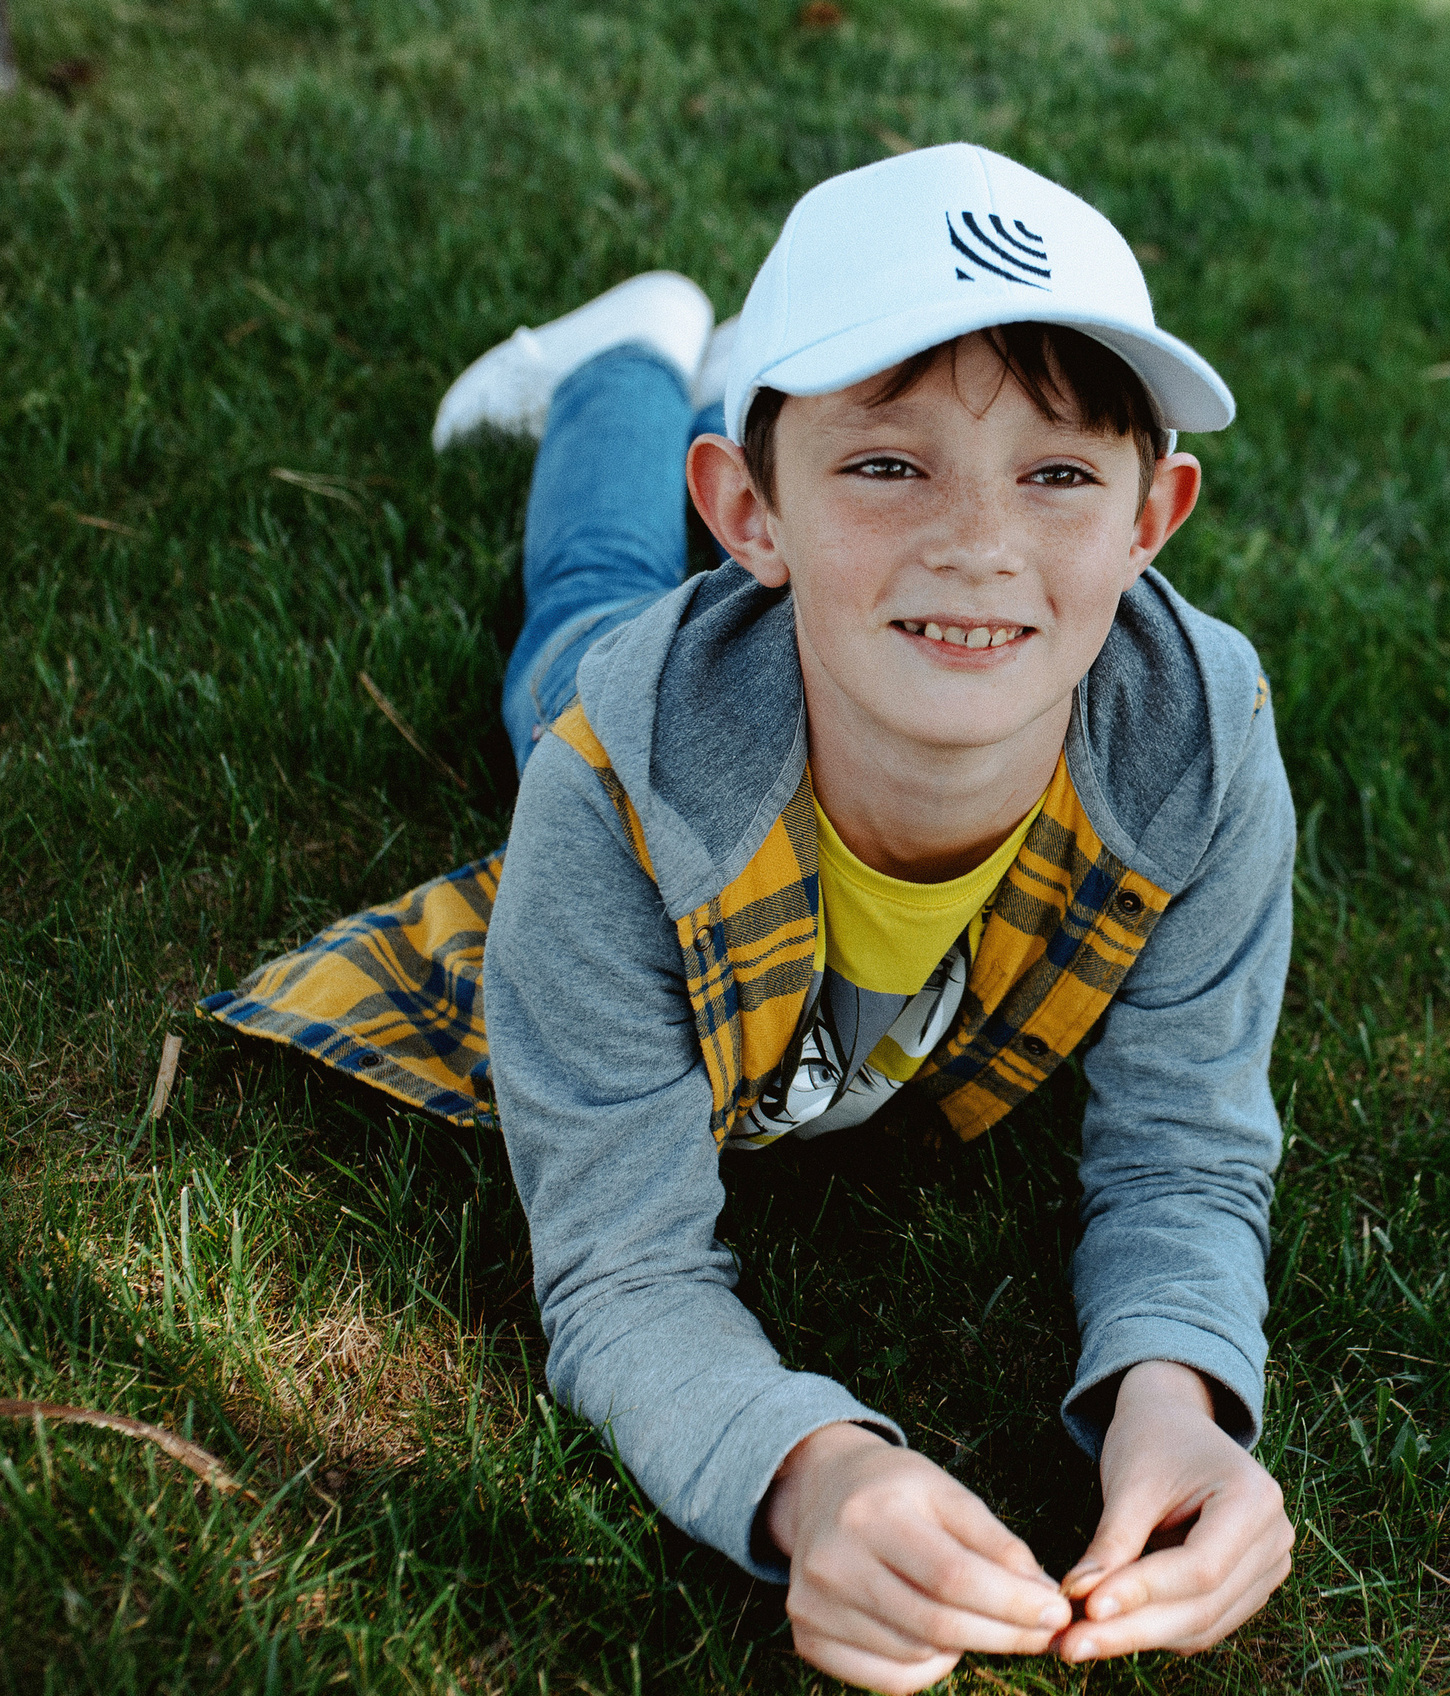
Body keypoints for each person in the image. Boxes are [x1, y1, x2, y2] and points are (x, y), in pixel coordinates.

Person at [200, 144, 1296, 1691]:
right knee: (581, 603)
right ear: (752, 512)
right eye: (883, 463)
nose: (978, 543)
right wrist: (812, 1469)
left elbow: (1187, 1148)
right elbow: (624, 1272)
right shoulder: (620, 779)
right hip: (694, 696)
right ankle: (627, 358)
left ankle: (744, 378)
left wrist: (1178, 1398)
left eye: (1057, 472)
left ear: (1152, 517)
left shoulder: (1203, 745)